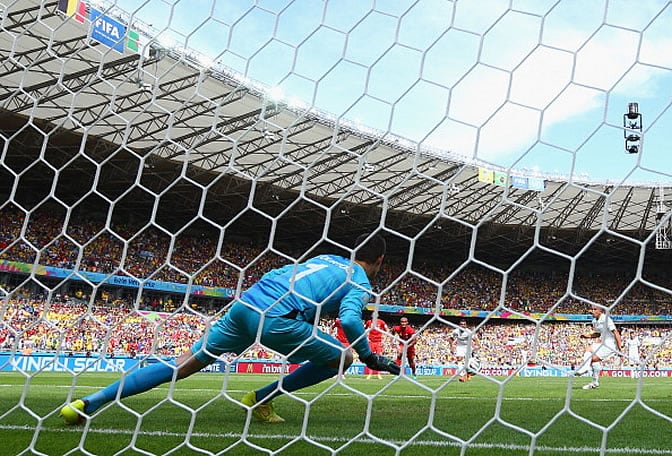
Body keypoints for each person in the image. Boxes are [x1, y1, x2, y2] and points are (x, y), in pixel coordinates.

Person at [60, 233, 400, 424]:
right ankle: (260, 398)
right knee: (343, 358)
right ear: (380, 262)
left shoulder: (326, 258)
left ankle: (90, 401)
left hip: (246, 304)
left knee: (182, 366)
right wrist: (369, 356)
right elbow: (352, 320)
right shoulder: (359, 280)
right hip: (276, 317)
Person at [574, 305, 623, 390]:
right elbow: (598, 334)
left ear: (600, 311)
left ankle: (587, 370)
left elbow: (616, 333)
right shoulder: (594, 321)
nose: (592, 311)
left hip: (611, 345)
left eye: (595, 309)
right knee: (590, 356)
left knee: (591, 358)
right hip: (603, 343)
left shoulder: (606, 319)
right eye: (592, 309)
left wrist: (620, 349)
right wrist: (587, 336)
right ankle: (594, 382)